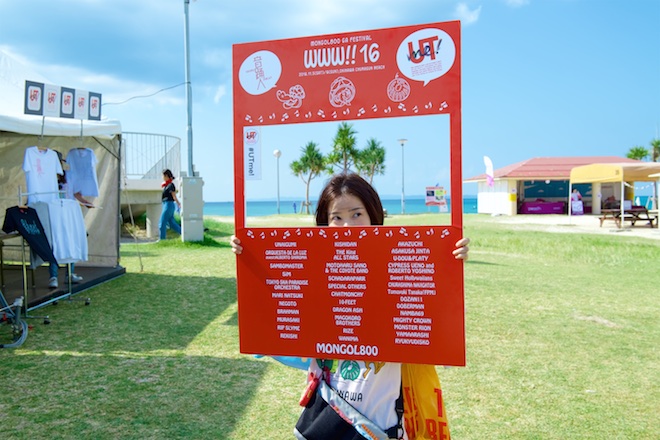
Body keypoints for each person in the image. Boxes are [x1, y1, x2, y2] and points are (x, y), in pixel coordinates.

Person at [230, 173, 469, 439]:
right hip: (329, 419)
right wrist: (250, 262)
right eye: (337, 217)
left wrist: (448, 265)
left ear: (374, 217)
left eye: (357, 215)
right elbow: (279, 335)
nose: (347, 227)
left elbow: (437, 332)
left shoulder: (398, 272)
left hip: (380, 426)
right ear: (324, 223)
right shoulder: (314, 275)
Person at [159, 169, 182, 240]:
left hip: (168, 205)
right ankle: (184, 234)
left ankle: (162, 240)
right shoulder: (166, 185)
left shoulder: (171, 185)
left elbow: (174, 196)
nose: (162, 177)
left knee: (162, 223)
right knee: (172, 223)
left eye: (163, 176)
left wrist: (179, 204)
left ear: (166, 176)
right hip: (166, 205)